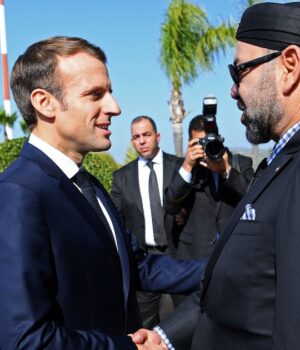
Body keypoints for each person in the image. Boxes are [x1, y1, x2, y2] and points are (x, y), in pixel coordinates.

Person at [134, 2, 300, 349]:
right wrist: (164, 337)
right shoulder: (294, 153)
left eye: (240, 72)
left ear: (290, 66)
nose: (234, 90)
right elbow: (236, 284)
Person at [0, 36, 205, 350]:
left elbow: (136, 267)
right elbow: (26, 340)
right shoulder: (18, 194)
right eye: (95, 94)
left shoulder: (88, 185)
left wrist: (224, 263)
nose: (115, 108)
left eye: (110, 92)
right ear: (44, 103)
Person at [110, 116, 183, 328]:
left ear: (157, 136)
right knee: (144, 326)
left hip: (176, 256)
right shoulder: (121, 177)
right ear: (132, 141)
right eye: (136, 137)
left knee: (177, 324)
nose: (142, 141)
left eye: (146, 135)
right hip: (144, 262)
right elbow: (117, 221)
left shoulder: (179, 167)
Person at [164, 115, 254, 261]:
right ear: (190, 143)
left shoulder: (240, 162)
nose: (205, 148)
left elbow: (254, 196)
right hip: (194, 255)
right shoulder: (183, 167)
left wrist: (226, 170)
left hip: (232, 253)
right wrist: (188, 166)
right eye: (200, 143)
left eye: (208, 142)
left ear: (219, 138)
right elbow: (170, 206)